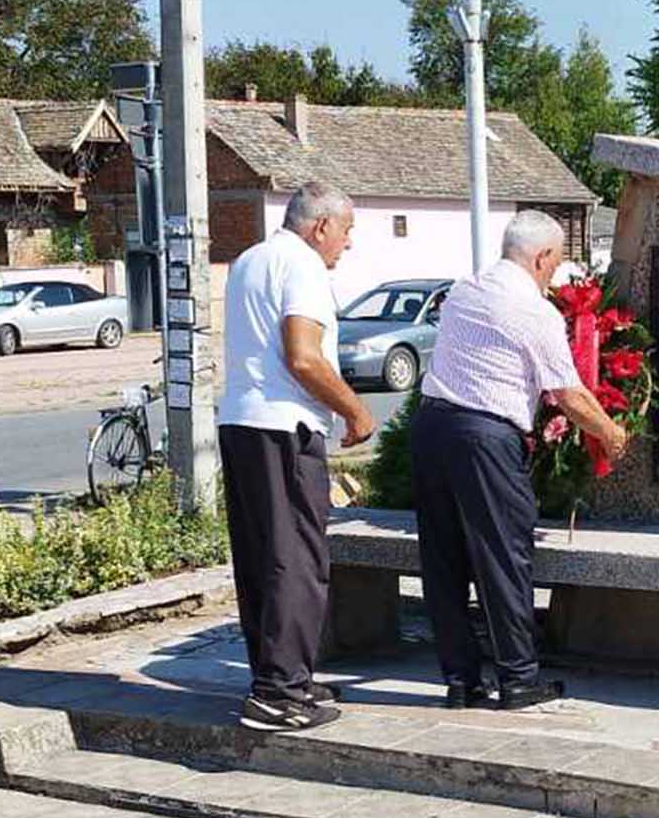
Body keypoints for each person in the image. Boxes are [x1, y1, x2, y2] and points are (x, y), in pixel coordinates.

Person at [412, 210, 630, 710]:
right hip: (484, 437)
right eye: (556, 261)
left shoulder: (465, 289)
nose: (555, 272)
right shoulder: (533, 310)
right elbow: (568, 394)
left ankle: (461, 680)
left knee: (443, 559)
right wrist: (612, 433)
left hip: (432, 428)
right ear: (542, 256)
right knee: (502, 555)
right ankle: (517, 677)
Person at [218, 182, 376, 733]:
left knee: (261, 558)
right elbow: (303, 358)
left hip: (241, 422)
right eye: (346, 230)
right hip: (285, 427)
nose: (348, 243)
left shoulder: (250, 259)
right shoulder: (303, 265)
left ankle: (280, 676)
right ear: (321, 226)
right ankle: (279, 693)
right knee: (296, 561)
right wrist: (356, 410)